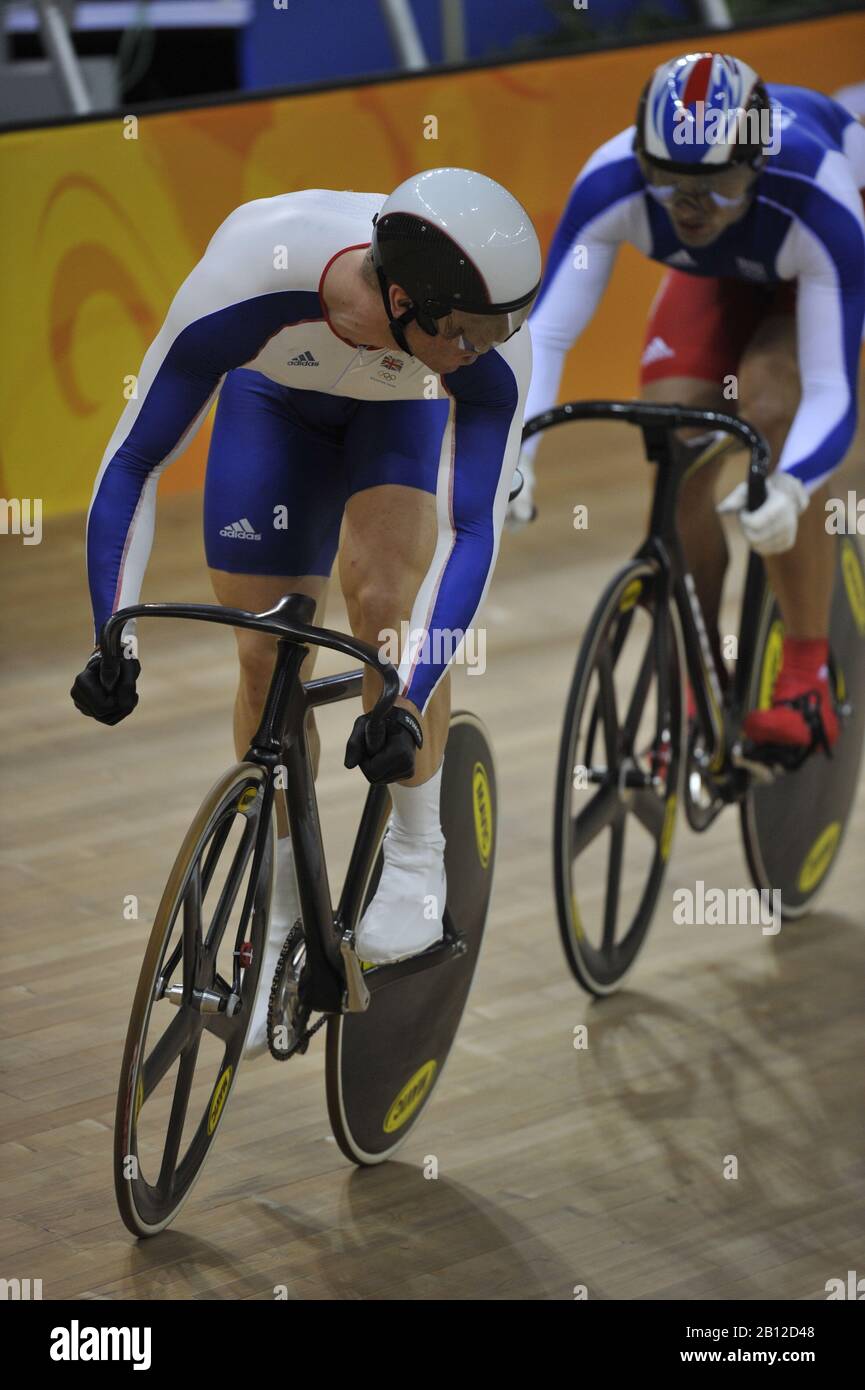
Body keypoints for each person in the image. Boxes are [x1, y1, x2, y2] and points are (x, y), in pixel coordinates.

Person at [71, 167, 541, 1055]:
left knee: (385, 606)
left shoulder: (484, 355)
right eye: (472, 334)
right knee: (264, 653)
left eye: (500, 332)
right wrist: (112, 627)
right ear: (403, 300)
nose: (489, 349)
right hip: (274, 407)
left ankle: (414, 855)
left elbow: (470, 533)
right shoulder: (252, 270)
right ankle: (284, 903)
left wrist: (406, 700)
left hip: (398, 415)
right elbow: (134, 459)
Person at [513, 52, 865, 754]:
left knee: (773, 409)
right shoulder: (612, 179)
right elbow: (542, 334)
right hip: (721, 276)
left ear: (756, 162)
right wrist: (515, 454)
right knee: (675, 439)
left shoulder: (816, 191)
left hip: (811, 270)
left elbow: (830, 390)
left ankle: (806, 676)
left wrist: (791, 486)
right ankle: (699, 688)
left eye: (713, 184)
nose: (688, 206)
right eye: (668, 181)